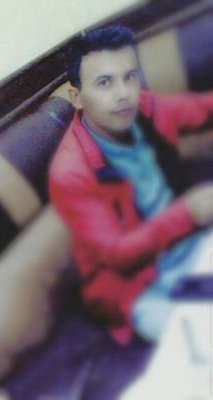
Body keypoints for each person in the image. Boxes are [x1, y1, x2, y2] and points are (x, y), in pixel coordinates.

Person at [49, 25, 213, 344]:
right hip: (140, 289)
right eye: (105, 82)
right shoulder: (70, 172)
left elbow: (203, 108)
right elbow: (118, 254)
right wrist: (187, 213)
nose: (123, 93)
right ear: (77, 97)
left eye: (130, 77)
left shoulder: (147, 109)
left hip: (191, 248)